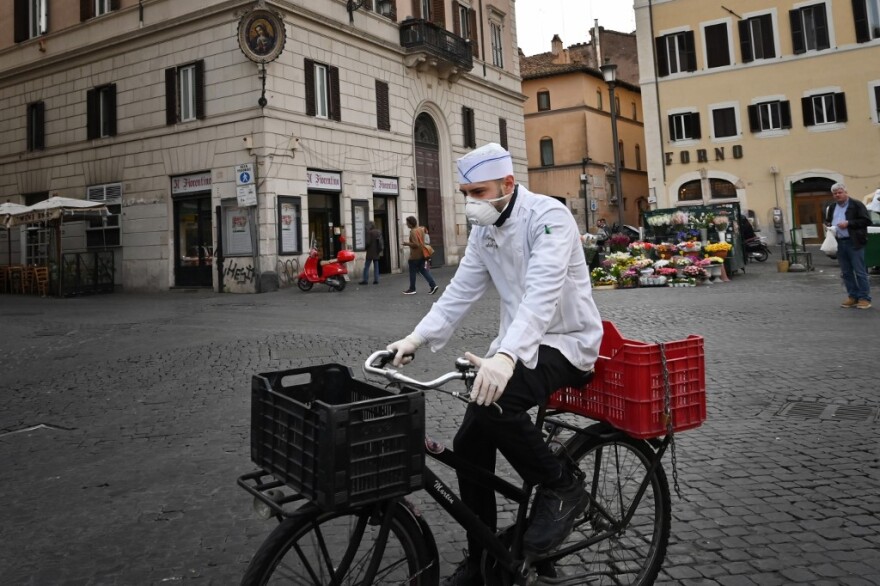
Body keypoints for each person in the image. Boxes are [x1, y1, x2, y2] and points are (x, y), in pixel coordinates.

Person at [387, 143, 603, 585]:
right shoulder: (485, 233)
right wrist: (416, 337)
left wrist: (505, 356)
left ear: (508, 184)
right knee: (469, 445)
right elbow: (459, 292)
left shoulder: (549, 217)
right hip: (516, 345)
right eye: (465, 192)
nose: (471, 202)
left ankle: (562, 486)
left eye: (479, 192)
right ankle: (482, 553)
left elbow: (542, 294)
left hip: (567, 342)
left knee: (496, 406)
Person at [824, 182, 872, 309]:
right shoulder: (832, 207)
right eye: (835, 193)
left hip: (854, 241)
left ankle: (864, 298)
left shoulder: (856, 205)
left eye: (840, 192)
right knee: (846, 272)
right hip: (839, 242)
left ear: (846, 192)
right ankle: (853, 296)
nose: (837, 195)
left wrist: (849, 223)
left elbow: (866, 220)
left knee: (860, 271)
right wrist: (828, 225)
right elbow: (828, 220)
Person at [402, 216, 438, 295]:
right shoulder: (421, 229)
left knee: (412, 272)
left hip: (415, 255)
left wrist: (406, 243)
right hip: (422, 254)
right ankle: (433, 285)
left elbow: (416, 244)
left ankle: (412, 289)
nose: (406, 224)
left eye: (407, 223)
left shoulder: (413, 231)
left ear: (411, 224)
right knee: (423, 270)